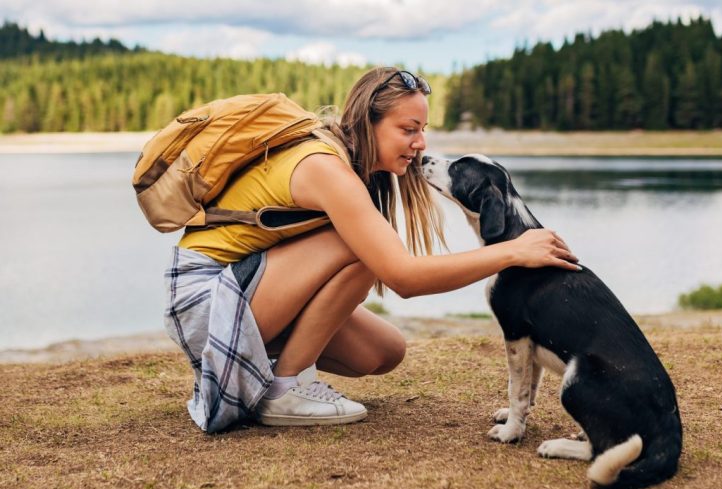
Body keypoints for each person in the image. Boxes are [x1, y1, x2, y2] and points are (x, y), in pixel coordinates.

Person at [164, 67, 580, 433]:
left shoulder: (349, 165)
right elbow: (403, 277)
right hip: (205, 299)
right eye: (408, 129)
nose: (421, 143)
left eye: (423, 129)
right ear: (368, 123)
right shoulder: (326, 167)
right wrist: (512, 252)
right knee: (363, 251)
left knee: (383, 352)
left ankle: (262, 377)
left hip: (245, 290)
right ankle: (285, 389)